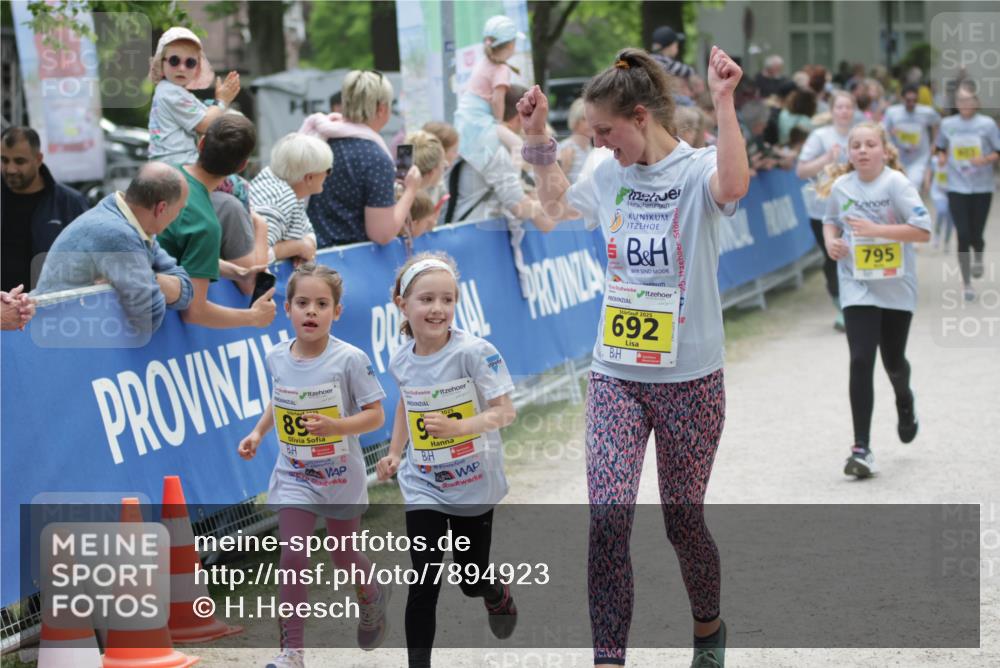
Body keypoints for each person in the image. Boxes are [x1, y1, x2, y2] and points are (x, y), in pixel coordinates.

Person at [517, 44, 749, 668]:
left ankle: (708, 629)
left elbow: (733, 185)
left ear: (641, 118)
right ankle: (608, 658)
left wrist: (724, 100)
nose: (598, 143)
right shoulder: (606, 169)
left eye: (605, 132)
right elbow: (555, 205)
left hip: (690, 378)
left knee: (683, 522)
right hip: (616, 374)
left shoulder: (698, 169)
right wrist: (535, 136)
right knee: (608, 519)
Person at [237, 263, 389, 668]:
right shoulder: (276, 356)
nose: (311, 311)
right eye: (303, 302)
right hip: (294, 474)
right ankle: (292, 652)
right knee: (292, 557)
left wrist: (336, 426)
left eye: (322, 304)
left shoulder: (350, 359)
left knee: (344, 556)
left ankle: (372, 596)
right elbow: (279, 399)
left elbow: (376, 416)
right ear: (287, 308)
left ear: (336, 312)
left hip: (339, 475)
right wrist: (258, 433)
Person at [375, 252, 518, 668]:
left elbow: (505, 412)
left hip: (473, 480)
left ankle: (495, 593)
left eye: (447, 299)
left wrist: (459, 428)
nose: (438, 308)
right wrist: (395, 452)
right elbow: (406, 403)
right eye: (426, 299)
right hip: (424, 483)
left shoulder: (474, 352)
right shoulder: (401, 359)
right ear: (402, 304)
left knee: (471, 579)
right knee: (424, 580)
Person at [819, 122, 931, 478]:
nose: (863, 150)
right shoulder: (842, 186)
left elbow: (923, 230)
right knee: (860, 359)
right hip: (857, 284)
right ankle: (861, 448)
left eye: (870, 144)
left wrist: (877, 231)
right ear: (849, 153)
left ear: (884, 150)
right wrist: (832, 242)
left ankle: (904, 398)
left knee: (893, 361)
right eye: (856, 145)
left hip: (896, 286)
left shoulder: (897, 184)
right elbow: (830, 220)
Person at [33, 162, 193, 334]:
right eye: (179, 210)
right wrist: (142, 278)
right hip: (60, 335)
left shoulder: (135, 223)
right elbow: (149, 318)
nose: (177, 217)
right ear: (161, 208)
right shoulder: (116, 233)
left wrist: (143, 277)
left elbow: (186, 290)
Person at [157, 114, 277, 329]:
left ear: (201, 143)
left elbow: (178, 255)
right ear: (242, 166)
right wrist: (253, 317)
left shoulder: (163, 174)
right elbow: (195, 312)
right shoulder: (206, 224)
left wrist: (238, 272)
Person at [302, 70, 422, 246]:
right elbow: (381, 234)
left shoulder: (320, 140)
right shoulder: (375, 158)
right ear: (381, 109)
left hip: (311, 252)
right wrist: (411, 190)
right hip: (351, 257)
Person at [796, 90, 858, 331]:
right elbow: (801, 171)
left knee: (854, 255)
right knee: (833, 256)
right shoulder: (820, 137)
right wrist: (826, 159)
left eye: (848, 107)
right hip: (822, 211)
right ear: (831, 111)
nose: (844, 111)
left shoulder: (861, 135)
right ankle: (841, 305)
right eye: (839, 107)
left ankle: (857, 304)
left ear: (854, 110)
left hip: (857, 209)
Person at [448, 85, 552, 227]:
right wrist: (553, 204)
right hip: (476, 233)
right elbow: (520, 208)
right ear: (520, 118)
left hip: (470, 230)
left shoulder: (482, 140)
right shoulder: (496, 151)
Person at [933, 81, 1000, 301]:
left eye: (968, 100)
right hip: (956, 186)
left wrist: (985, 159)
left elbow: (998, 151)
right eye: (960, 100)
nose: (964, 104)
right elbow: (940, 147)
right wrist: (942, 158)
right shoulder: (947, 124)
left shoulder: (987, 124)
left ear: (977, 102)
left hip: (982, 187)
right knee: (962, 234)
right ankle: (967, 283)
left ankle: (978, 254)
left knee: (976, 234)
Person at [1, 126, 89, 291]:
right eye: (4, 160)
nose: (10, 169)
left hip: (49, 303)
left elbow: (91, 257)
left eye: (19, 161)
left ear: (38, 159)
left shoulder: (69, 203)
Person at [147, 26, 241, 166]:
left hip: (172, 163)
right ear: (161, 64)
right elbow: (205, 124)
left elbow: (206, 115)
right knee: (230, 179)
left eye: (190, 63)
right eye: (174, 61)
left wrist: (218, 102)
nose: (182, 68)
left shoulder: (172, 91)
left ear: (197, 69)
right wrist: (222, 101)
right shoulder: (171, 92)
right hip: (176, 165)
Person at [454, 15, 526, 174]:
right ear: (511, 44)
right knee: (517, 144)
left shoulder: (484, 62)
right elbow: (497, 99)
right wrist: (499, 122)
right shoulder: (501, 69)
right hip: (480, 120)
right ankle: (515, 178)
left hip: (466, 118)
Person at [250, 132, 331, 265]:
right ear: (309, 178)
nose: (328, 175)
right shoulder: (278, 202)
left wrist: (305, 245)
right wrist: (297, 247)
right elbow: (256, 257)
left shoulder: (289, 188)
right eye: (328, 170)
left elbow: (308, 231)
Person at [883, 84, 941, 191]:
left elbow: (937, 123)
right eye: (908, 100)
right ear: (902, 98)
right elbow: (883, 131)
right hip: (898, 157)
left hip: (919, 157)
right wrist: (891, 133)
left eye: (915, 100)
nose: (911, 103)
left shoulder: (926, 112)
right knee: (897, 187)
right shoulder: (892, 112)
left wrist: (935, 143)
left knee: (913, 186)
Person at [557, 98, 594, 183]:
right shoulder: (566, 149)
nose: (591, 123)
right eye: (584, 119)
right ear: (575, 121)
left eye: (592, 118)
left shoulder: (590, 149)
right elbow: (557, 182)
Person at [927, 159, 953, 251]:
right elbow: (929, 171)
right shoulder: (934, 161)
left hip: (952, 193)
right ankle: (937, 235)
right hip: (938, 193)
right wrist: (927, 183)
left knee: (950, 220)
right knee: (941, 211)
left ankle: (947, 241)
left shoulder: (952, 162)